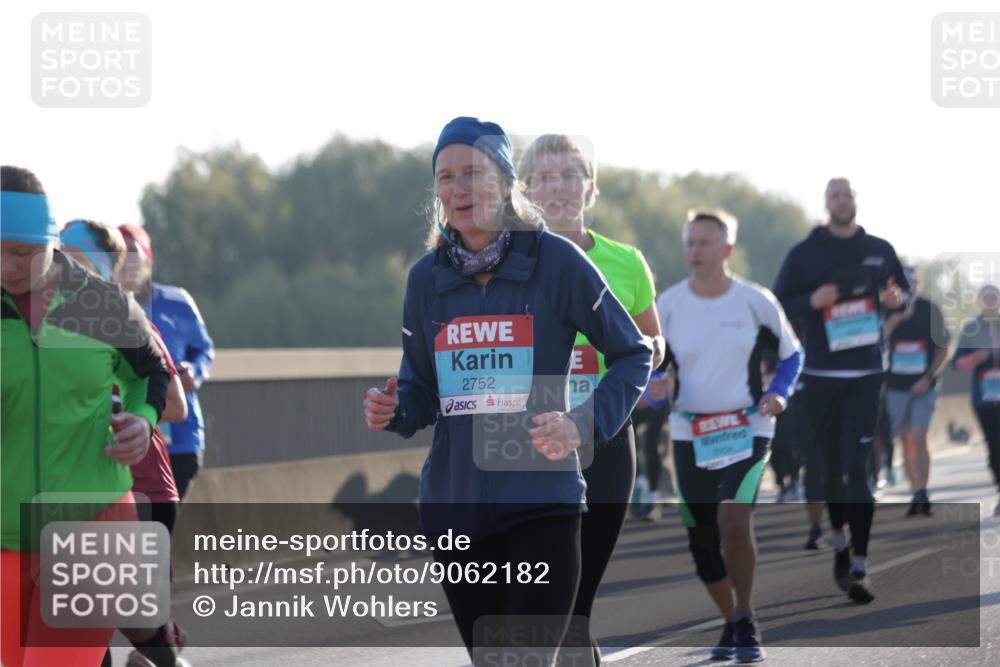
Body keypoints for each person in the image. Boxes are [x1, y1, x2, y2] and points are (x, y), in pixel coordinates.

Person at [362, 117, 652, 666]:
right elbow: (423, 390)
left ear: (505, 181)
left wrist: (581, 423)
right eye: (446, 178)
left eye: (473, 172)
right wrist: (394, 408)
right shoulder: (426, 279)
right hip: (455, 509)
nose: (458, 189)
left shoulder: (557, 263)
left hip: (542, 504)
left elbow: (634, 352)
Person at [1, 166, 169, 667]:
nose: (6, 266)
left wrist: (142, 418)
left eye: (22, 252)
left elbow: (151, 373)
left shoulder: (98, 302)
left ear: (50, 243)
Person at [518, 134, 666, 666]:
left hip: (604, 432)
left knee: (578, 595)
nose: (558, 187)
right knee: (546, 585)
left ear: (591, 187)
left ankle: (574, 641)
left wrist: (654, 352)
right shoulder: (510, 261)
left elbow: (653, 341)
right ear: (526, 189)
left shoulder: (626, 263)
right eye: (545, 177)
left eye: (569, 175)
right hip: (531, 440)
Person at [658, 208, 803, 662]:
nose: (695, 251)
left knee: (733, 520)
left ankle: (745, 615)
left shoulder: (754, 301)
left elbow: (792, 355)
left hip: (747, 425)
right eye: (689, 243)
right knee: (701, 540)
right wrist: (655, 388)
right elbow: (649, 365)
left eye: (704, 243)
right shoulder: (669, 304)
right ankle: (731, 622)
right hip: (690, 430)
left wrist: (779, 394)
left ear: (727, 249)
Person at [60, 219, 191, 667]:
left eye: (72, 255)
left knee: (123, 629)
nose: (57, 263)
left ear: (105, 268)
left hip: (141, 492)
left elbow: (175, 405)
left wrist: (123, 408)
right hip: (83, 494)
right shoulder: (48, 325)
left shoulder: (122, 320)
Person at [773, 177, 908, 604]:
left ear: (856, 201)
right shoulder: (805, 253)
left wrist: (894, 300)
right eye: (834, 195)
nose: (841, 201)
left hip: (867, 372)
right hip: (822, 373)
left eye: (847, 194)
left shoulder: (880, 249)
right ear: (826, 204)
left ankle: (860, 566)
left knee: (859, 467)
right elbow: (778, 304)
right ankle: (838, 542)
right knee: (829, 468)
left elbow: (902, 295)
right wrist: (813, 300)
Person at [119, 224, 215, 500]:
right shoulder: (98, 308)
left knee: (163, 526)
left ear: (148, 259)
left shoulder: (177, 301)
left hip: (181, 440)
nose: (127, 260)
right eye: (119, 252)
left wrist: (193, 373)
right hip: (130, 442)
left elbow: (203, 348)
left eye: (133, 252)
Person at [882, 266, 950, 516]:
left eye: (913, 280)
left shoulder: (930, 310)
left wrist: (928, 377)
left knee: (919, 436)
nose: (909, 285)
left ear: (919, 283)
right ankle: (915, 493)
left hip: (924, 386)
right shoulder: (886, 309)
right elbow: (875, 341)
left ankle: (922, 491)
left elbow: (943, 349)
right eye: (904, 281)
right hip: (895, 388)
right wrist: (898, 317)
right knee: (906, 440)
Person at [953, 284, 1000, 517]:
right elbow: (957, 364)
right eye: (987, 298)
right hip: (984, 398)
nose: (991, 301)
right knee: (994, 446)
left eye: (994, 298)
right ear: (981, 301)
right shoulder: (971, 328)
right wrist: (976, 357)